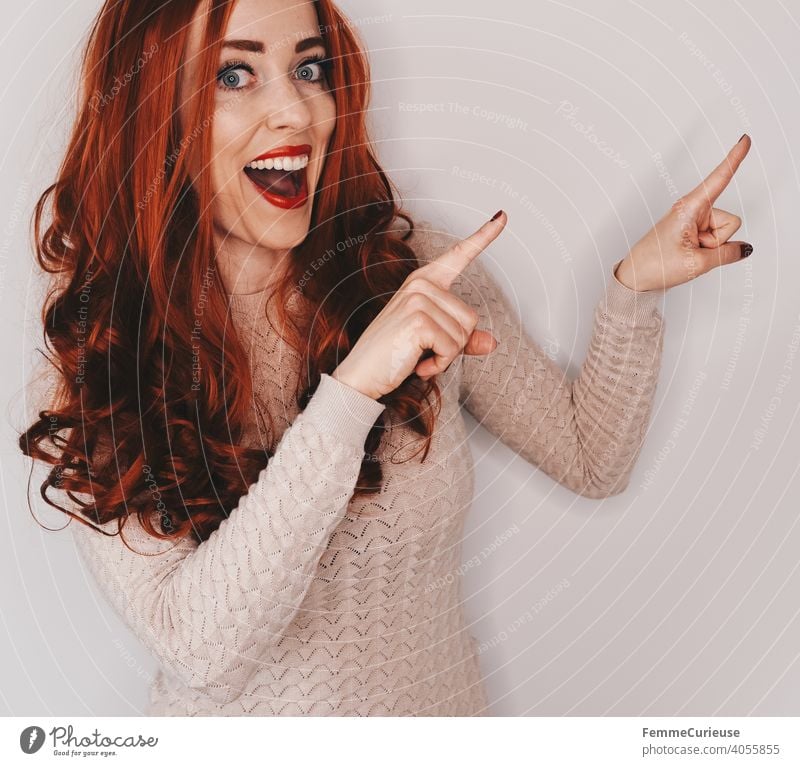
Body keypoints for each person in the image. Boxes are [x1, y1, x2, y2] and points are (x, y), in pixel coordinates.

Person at [18, 0, 752, 716]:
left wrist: (633, 293)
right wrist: (354, 390)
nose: (298, 114)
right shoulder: (97, 361)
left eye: (309, 69)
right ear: (149, 114)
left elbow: (594, 461)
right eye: (233, 76)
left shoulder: (413, 275)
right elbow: (204, 653)